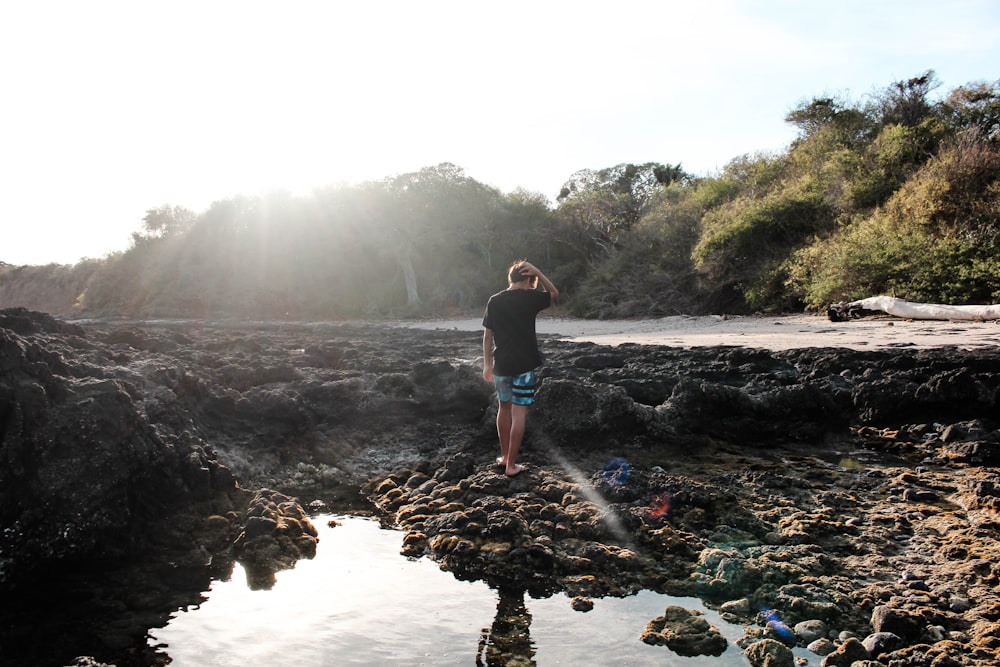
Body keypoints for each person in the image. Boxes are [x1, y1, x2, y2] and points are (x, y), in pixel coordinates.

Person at [481, 260, 558, 477]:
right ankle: (511, 466)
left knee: (503, 409)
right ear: (527, 280)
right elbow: (553, 293)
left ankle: (505, 456)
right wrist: (539, 272)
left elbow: (488, 336)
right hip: (524, 365)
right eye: (532, 282)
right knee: (519, 413)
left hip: (501, 365)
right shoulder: (530, 299)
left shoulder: (494, 301)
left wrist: (487, 364)